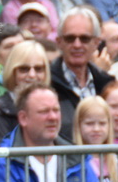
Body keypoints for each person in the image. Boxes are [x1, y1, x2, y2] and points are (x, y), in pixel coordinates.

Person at [48, 8, 112, 139]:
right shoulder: (46, 83)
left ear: (96, 43)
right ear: (59, 42)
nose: (77, 45)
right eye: (70, 38)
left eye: (84, 39)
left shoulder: (107, 84)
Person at [0, 41, 51, 146]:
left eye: (38, 69)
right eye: (24, 69)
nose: (32, 75)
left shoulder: (55, 107)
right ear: (12, 71)